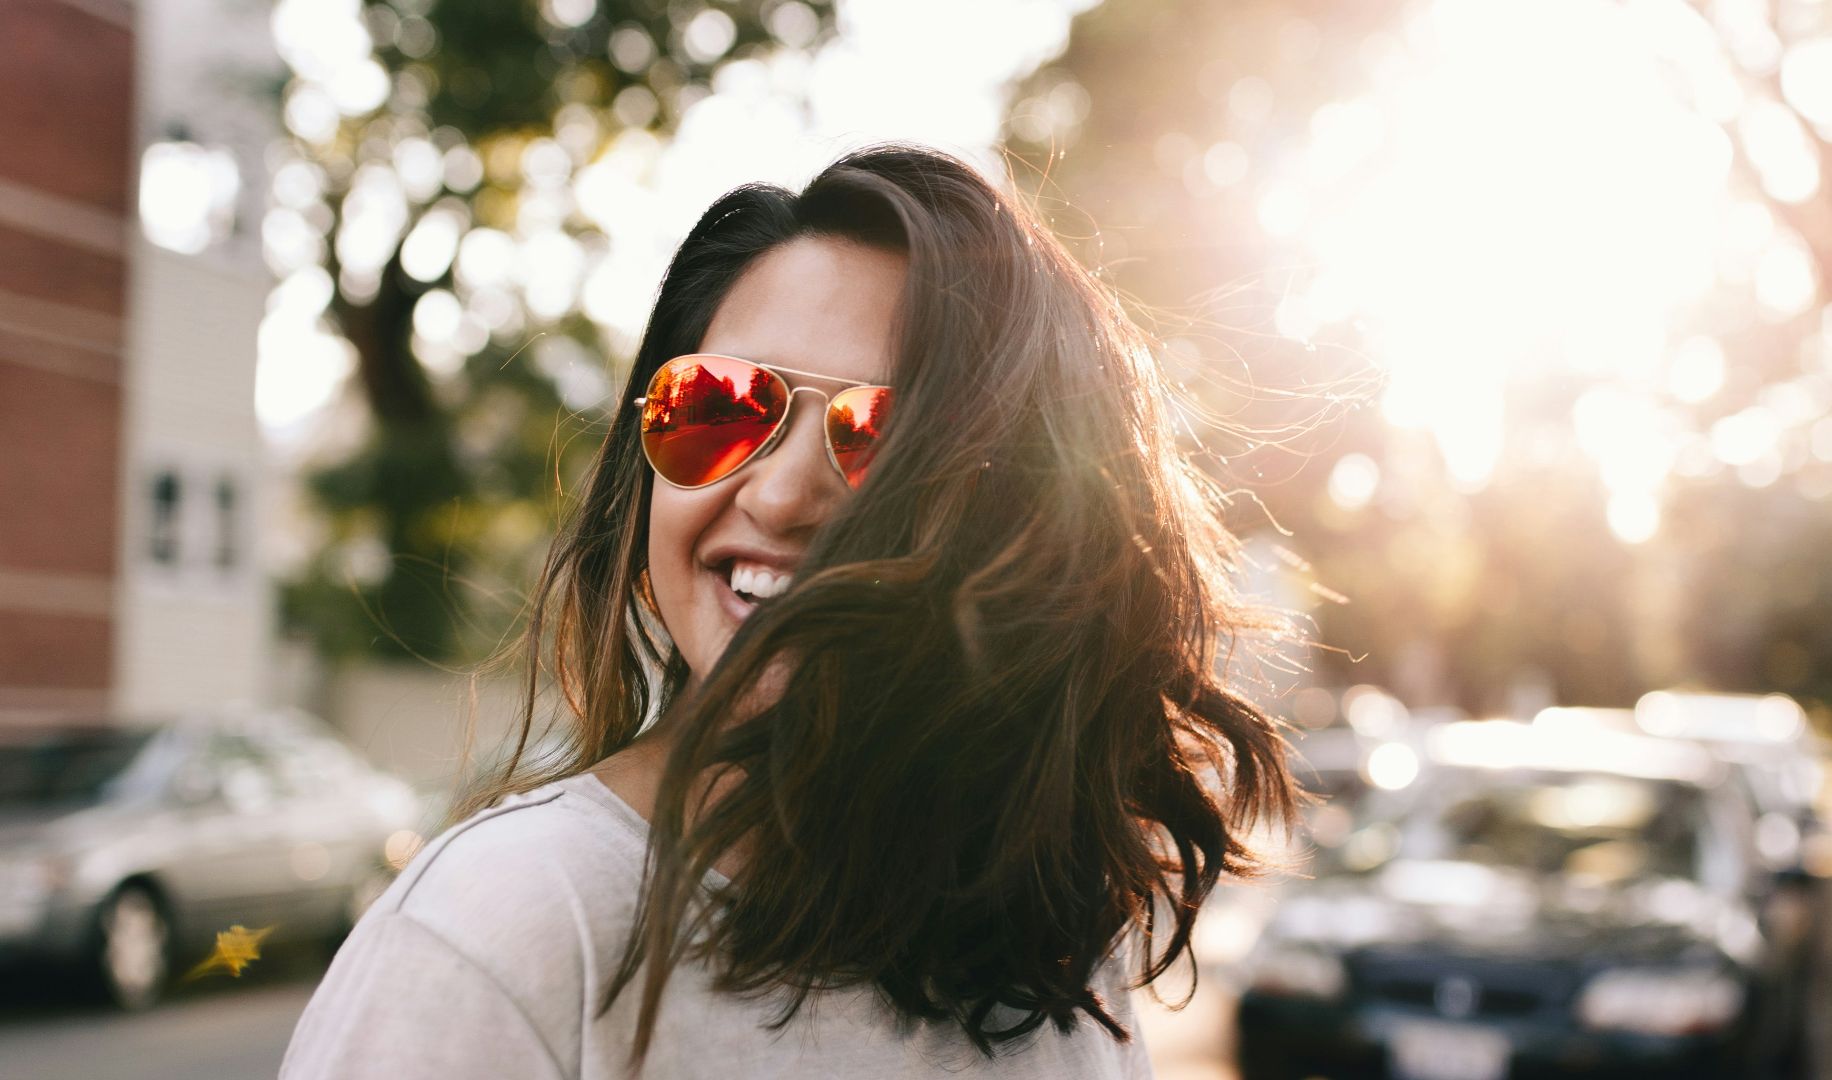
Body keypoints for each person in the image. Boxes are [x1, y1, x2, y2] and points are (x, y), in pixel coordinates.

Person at [279, 144, 1298, 1079]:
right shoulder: (503, 926)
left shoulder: (1051, 953)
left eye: (887, 441)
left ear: (1028, 525)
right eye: (721, 406)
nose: (777, 495)